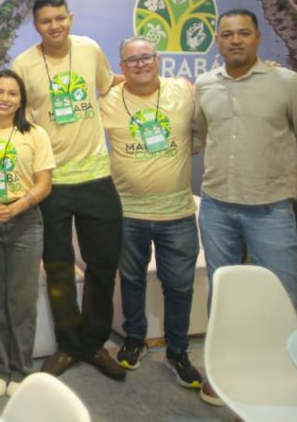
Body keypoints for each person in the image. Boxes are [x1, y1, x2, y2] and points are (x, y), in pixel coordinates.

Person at [9, 0, 125, 381]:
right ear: (36, 25)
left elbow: (112, 87)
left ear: (70, 18)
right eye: (46, 21)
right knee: (58, 268)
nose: (54, 26)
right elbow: (18, 121)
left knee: (103, 265)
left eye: (60, 18)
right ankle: (69, 344)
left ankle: (93, 342)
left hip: (95, 176)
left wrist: (167, 86)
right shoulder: (23, 65)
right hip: (52, 181)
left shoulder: (90, 49)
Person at [193, 10, 297, 318]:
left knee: (280, 296)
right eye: (227, 35)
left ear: (258, 37)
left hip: (270, 209)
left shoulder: (287, 82)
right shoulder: (204, 84)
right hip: (216, 209)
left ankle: (286, 365)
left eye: (243, 33)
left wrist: (284, 175)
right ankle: (225, 361)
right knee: (223, 292)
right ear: (217, 41)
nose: (235, 40)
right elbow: (199, 133)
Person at [100, 36, 204, 394]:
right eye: (132, 60)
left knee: (179, 286)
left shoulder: (184, 91)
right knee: (131, 280)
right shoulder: (109, 100)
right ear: (121, 67)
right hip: (127, 213)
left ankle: (178, 351)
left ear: (158, 60)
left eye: (146, 57)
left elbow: (212, 118)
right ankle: (135, 339)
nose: (140, 64)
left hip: (176, 213)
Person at [0, 70, 55, 398]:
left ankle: (22, 370)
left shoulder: (35, 134)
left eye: (12, 93)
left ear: (21, 100)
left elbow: (44, 184)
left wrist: (17, 207)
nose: (5, 98)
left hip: (25, 223)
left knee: (22, 302)